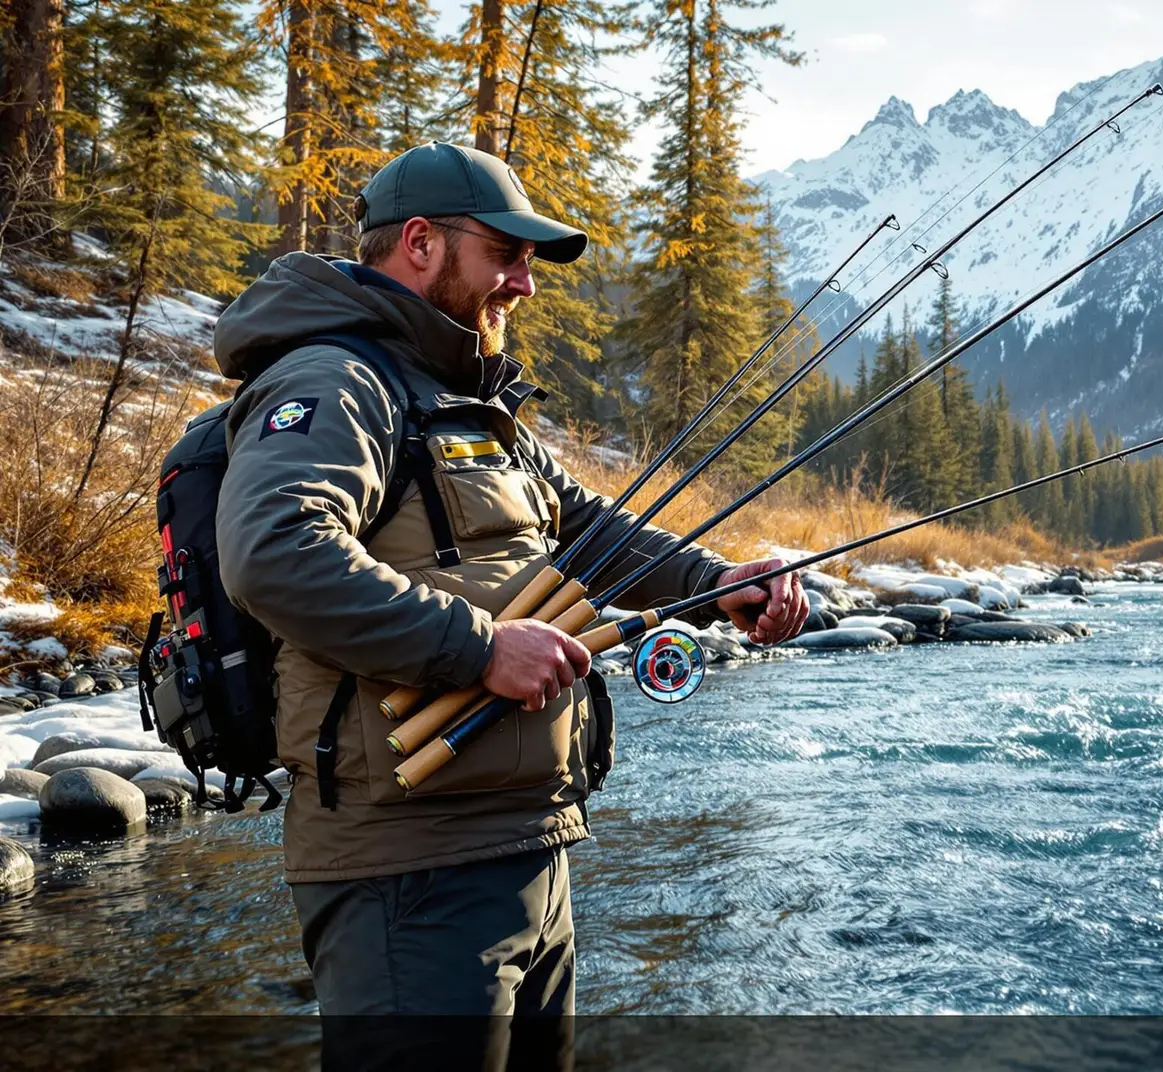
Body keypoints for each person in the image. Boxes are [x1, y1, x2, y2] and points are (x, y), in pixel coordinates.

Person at [209, 142, 806, 1036]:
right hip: (405, 872)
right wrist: (481, 648)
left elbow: (582, 528)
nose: (524, 283)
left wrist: (714, 584)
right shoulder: (335, 381)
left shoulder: (465, 402)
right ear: (420, 243)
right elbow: (275, 551)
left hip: (524, 846)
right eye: (506, 254)